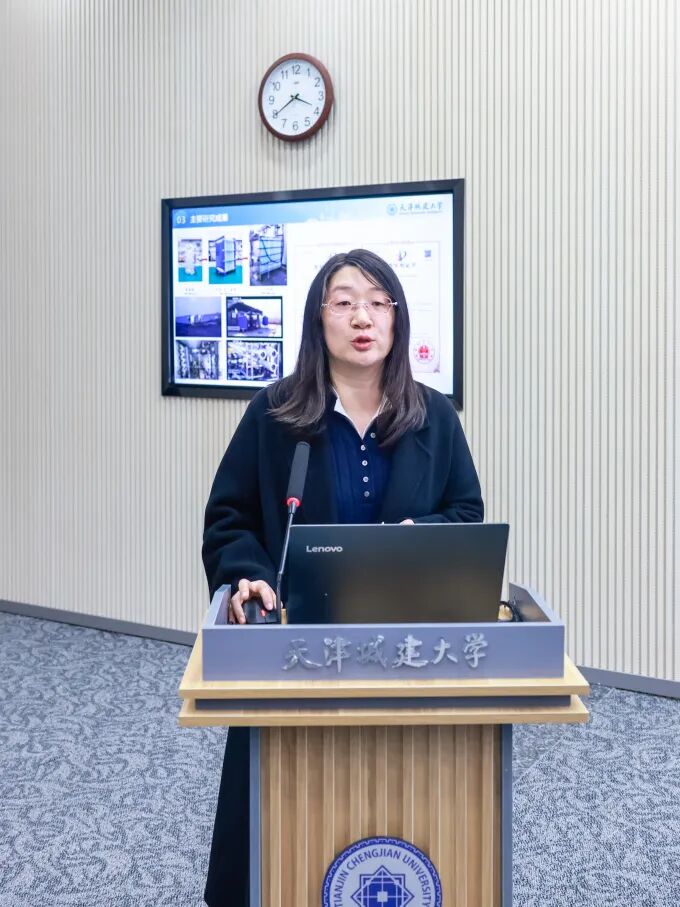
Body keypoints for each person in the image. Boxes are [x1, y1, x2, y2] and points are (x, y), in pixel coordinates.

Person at [201, 248, 484, 906]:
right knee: (279, 833)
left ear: (396, 319)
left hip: (407, 648)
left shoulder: (434, 415)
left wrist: (420, 536)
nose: (363, 317)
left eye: (378, 302)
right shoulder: (276, 414)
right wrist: (246, 575)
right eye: (345, 301)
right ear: (318, 317)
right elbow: (229, 517)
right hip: (295, 650)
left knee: (402, 813)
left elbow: (466, 513)